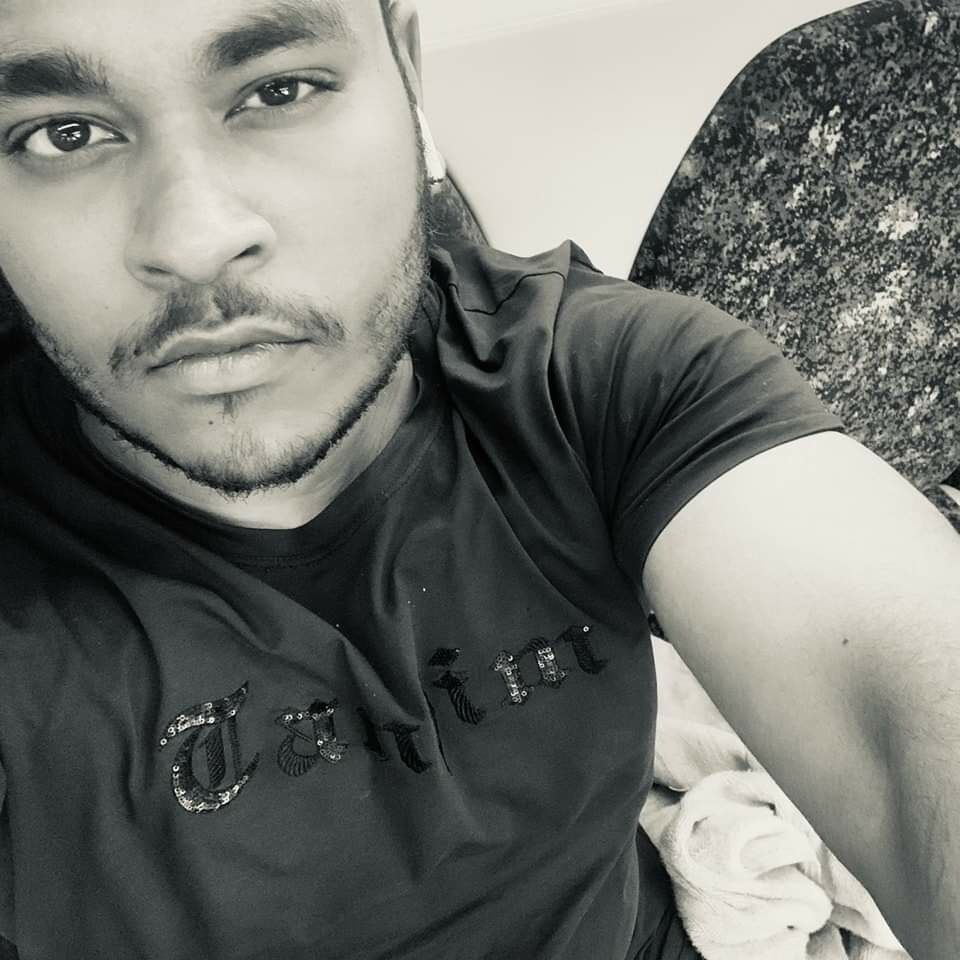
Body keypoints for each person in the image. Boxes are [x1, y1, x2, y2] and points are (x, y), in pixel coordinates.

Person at [0, 1, 957, 958]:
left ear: (408, 73)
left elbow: (896, 711)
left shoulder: (597, 375)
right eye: (61, 133)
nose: (194, 238)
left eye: (279, 90)